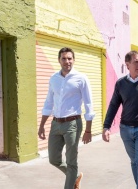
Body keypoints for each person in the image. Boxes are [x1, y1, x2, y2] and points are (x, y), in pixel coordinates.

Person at [102, 51, 138, 189]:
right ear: (127, 65)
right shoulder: (121, 83)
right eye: (136, 62)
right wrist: (106, 126)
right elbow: (114, 105)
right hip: (126, 129)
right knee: (134, 161)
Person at [38, 47, 94, 189]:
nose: (67, 61)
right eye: (64, 58)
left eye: (69, 58)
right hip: (56, 124)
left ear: (73, 60)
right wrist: (42, 125)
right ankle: (74, 176)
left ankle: (70, 181)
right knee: (53, 159)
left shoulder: (81, 78)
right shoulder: (54, 79)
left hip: (73, 124)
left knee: (71, 162)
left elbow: (89, 105)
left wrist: (88, 130)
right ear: (59, 60)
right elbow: (48, 103)